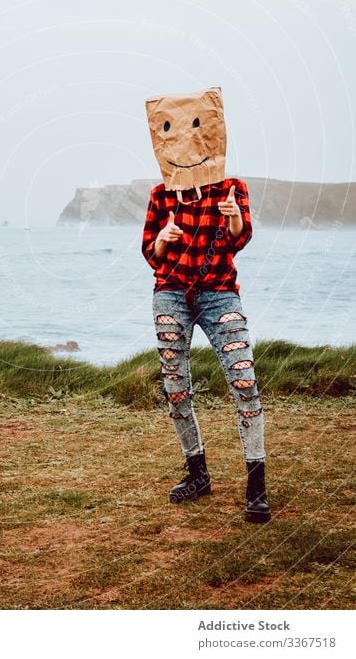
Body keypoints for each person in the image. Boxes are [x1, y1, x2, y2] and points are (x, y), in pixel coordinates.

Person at [142, 86, 271, 523]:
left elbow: (240, 240)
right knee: (175, 385)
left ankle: (257, 484)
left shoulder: (233, 188)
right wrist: (162, 240)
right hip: (171, 293)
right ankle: (197, 472)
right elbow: (149, 254)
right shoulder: (161, 195)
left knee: (244, 381)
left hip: (219, 293)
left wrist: (232, 215)